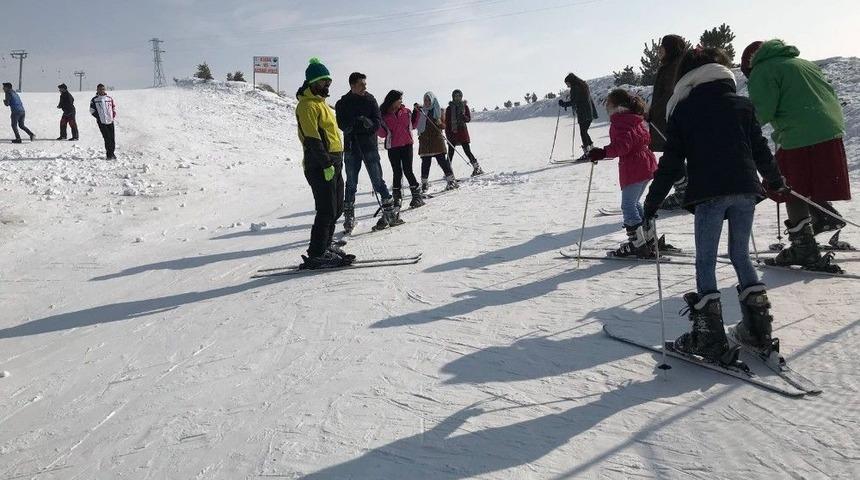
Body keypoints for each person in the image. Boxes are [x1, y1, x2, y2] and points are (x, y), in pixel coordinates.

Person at [643, 47, 787, 364]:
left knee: (706, 259)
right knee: (740, 255)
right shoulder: (742, 105)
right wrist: (775, 180)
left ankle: (708, 336)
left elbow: (671, 165)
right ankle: (758, 329)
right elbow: (760, 149)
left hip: (710, 193)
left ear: (688, 76)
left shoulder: (684, 110)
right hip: (745, 191)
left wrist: (652, 202)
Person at [742, 39, 851, 269]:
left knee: (788, 187)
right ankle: (823, 216)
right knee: (809, 181)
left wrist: (740, 133)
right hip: (830, 129)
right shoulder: (802, 63)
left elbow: (760, 112)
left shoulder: (763, 70)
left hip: (800, 134)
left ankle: (804, 248)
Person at [295, 58, 352, 269]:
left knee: (336, 208)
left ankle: (325, 246)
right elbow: (312, 138)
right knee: (326, 209)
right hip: (319, 163)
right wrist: (326, 163)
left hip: (335, 161)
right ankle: (317, 253)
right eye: (322, 82)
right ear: (312, 82)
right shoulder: (307, 106)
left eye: (328, 82)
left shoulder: (322, 104)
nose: (327, 85)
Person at [588, 89, 658, 258]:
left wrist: (602, 152)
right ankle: (648, 238)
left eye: (609, 105)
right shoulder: (634, 118)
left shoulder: (620, 122)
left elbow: (623, 145)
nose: (607, 108)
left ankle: (637, 244)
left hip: (634, 167)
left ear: (618, 106)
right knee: (635, 203)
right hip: (646, 164)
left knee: (628, 205)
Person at [335, 72, 400, 233]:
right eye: (361, 84)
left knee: (378, 180)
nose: (365, 86)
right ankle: (349, 216)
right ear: (352, 85)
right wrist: (352, 124)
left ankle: (390, 212)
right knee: (351, 183)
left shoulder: (370, 99)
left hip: (369, 146)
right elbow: (341, 124)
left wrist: (370, 124)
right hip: (351, 146)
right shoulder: (342, 103)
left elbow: (378, 122)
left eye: (365, 83)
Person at [648, 34, 689, 210]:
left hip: (670, 118)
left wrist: (653, 111)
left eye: (662, 47)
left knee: (672, 157)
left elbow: (670, 95)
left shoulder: (675, 66)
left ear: (670, 48)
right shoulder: (670, 65)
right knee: (674, 156)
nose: (659, 50)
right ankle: (686, 189)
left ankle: (684, 191)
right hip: (666, 117)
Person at [378, 90, 425, 209]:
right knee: (397, 172)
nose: (401, 101)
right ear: (393, 101)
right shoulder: (384, 115)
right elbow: (383, 134)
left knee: (408, 170)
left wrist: (417, 112)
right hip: (393, 147)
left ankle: (416, 196)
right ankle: (397, 198)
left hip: (406, 145)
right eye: (399, 99)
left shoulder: (406, 112)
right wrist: (376, 125)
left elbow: (413, 125)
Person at [415, 91, 457, 192]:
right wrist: (416, 110)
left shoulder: (438, 110)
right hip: (425, 140)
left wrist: (439, 123)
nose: (427, 102)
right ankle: (424, 184)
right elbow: (415, 123)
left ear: (433, 100)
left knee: (442, 161)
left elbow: (444, 125)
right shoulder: (422, 111)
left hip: (436, 140)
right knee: (425, 162)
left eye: (429, 100)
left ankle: (451, 181)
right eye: (425, 100)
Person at [558, 73, 598, 162]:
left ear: (570, 81)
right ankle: (592, 149)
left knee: (583, 132)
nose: (567, 86)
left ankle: (587, 153)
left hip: (583, 112)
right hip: (589, 112)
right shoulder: (583, 85)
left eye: (567, 83)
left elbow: (574, 101)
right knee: (585, 131)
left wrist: (563, 104)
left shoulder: (575, 87)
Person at [445, 89, 484, 177]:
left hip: (462, 132)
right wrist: (448, 134)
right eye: (456, 96)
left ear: (461, 97)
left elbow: (468, 119)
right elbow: (447, 123)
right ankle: (448, 172)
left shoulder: (464, 106)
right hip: (452, 133)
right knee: (450, 153)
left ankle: (477, 168)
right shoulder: (449, 108)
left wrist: (464, 117)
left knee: (467, 151)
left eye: (459, 96)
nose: (457, 97)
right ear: (453, 97)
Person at [89, 84, 116, 159]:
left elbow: (113, 108)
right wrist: (99, 117)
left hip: (110, 121)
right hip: (102, 122)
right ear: (97, 90)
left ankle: (112, 153)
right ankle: (109, 155)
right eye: (100, 89)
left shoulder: (109, 98)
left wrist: (113, 115)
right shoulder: (94, 99)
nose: (101, 90)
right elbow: (92, 110)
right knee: (107, 138)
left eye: (103, 89)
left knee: (112, 138)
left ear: (105, 90)